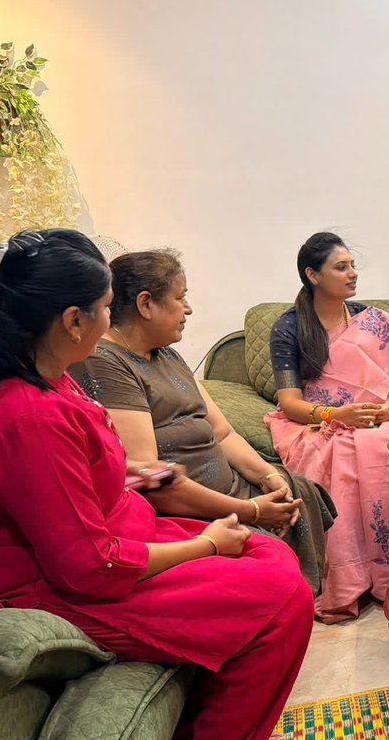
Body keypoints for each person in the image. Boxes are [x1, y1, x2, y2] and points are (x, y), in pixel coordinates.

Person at [0, 229, 311, 740]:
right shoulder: (24, 413)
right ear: (72, 320)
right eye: (105, 306)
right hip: (54, 587)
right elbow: (90, 564)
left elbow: (57, 483)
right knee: (280, 597)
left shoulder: (29, 370)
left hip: (106, 536)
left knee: (270, 558)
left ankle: (215, 739)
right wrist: (208, 541)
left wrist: (133, 475)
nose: (110, 318)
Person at [72, 250, 336, 595]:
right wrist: (251, 510)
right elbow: (150, 478)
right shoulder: (105, 363)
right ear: (145, 304)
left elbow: (222, 431)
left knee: (299, 490)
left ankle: (305, 601)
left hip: (231, 490)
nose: (189, 309)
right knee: (270, 563)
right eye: (181, 298)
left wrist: (267, 477)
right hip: (190, 511)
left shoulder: (166, 352)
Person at [265, 232, 389, 623]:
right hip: (318, 421)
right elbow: (290, 403)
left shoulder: (368, 319)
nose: (352, 274)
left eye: (353, 265)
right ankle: (354, 578)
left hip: (372, 417)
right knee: (342, 453)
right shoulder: (289, 329)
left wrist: (385, 408)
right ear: (313, 275)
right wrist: (336, 416)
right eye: (341, 267)